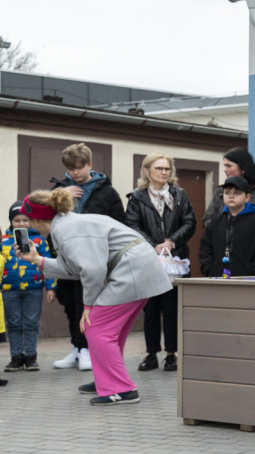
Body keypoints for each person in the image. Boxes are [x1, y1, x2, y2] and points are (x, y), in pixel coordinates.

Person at [17, 188, 172, 405]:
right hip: (138, 269)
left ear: (36, 219)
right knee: (108, 331)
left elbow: (92, 270)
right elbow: (73, 268)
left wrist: (88, 306)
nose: (25, 224)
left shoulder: (66, 230)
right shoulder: (66, 225)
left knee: (96, 327)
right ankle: (106, 381)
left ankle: (121, 389)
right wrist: (35, 259)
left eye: (27, 219)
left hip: (132, 271)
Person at [50, 142, 126, 371]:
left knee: (89, 304)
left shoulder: (107, 191)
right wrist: (60, 196)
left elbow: (119, 222)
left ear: (90, 165)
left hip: (95, 258)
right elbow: (44, 216)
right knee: (70, 303)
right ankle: (77, 348)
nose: (75, 172)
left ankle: (88, 349)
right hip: (67, 257)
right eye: (70, 168)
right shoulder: (60, 188)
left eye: (79, 167)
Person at [125, 153, 197, 373]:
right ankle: (151, 354)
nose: (164, 172)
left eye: (167, 169)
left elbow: (189, 222)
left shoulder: (180, 194)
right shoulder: (137, 197)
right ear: (146, 170)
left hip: (175, 260)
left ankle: (171, 355)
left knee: (172, 310)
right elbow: (131, 224)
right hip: (149, 259)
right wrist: (152, 245)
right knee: (151, 310)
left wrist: (172, 241)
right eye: (159, 168)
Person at [3, 203, 57, 371]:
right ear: (11, 222)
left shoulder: (39, 240)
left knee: (32, 323)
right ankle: (16, 357)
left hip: (34, 289)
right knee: (13, 323)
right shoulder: (4, 241)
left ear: (32, 221)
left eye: (25, 220)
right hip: (9, 289)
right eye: (16, 220)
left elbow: (49, 264)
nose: (21, 224)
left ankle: (31, 356)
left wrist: (51, 287)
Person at [201, 176, 255, 277]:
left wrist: (252, 271)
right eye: (227, 193)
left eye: (237, 193)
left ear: (247, 197)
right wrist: (211, 270)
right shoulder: (215, 222)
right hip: (218, 279)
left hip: (248, 280)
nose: (231, 196)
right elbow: (205, 249)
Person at [202, 149, 255, 228]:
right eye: (225, 166)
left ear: (242, 169)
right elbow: (207, 220)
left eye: (229, 166)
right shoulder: (220, 191)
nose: (225, 170)